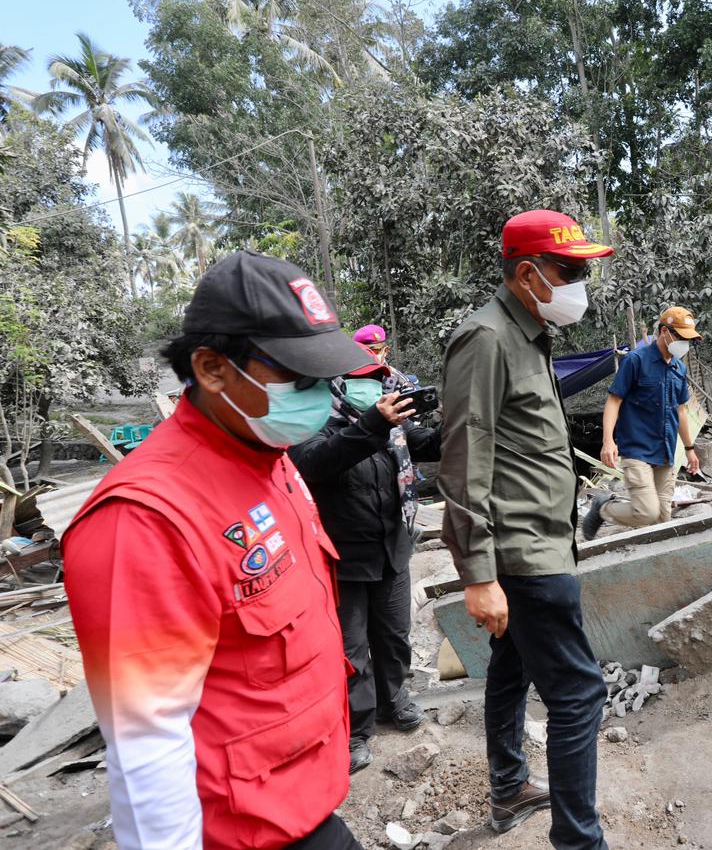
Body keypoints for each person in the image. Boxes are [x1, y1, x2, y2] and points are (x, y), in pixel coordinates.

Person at [61, 251, 374, 849]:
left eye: (324, 377)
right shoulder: (145, 520)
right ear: (211, 368)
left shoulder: (269, 459)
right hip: (239, 832)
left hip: (303, 805)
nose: (319, 396)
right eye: (297, 377)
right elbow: (147, 744)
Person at [438, 209, 612, 849]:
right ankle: (578, 841)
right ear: (529, 274)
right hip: (523, 556)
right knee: (578, 694)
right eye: (572, 271)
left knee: (510, 672)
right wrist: (478, 574)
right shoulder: (485, 340)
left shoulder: (529, 335)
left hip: (538, 544)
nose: (581, 283)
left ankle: (509, 788)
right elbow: (465, 458)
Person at [289, 354, 441, 774]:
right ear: (337, 385)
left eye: (378, 380)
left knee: (394, 635)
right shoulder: (314, 424)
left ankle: (396, 702)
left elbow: (426, 442)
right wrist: (373, 424)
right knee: (350, 651)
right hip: (342, 559)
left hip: (393, 547)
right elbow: (318, 463)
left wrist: (460, 424)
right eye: (362, 382)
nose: (373, 388)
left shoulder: (396, 426)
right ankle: (356, 729)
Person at [580, 306, 702, 540]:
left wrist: (689, 449)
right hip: (637, 449)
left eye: (689, 340)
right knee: (646, 512)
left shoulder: (679, 368)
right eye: (682, 338)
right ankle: (603, 508)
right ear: (665, 332)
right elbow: (614, 401)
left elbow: (681, 411)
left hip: (666, 452)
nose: (685, 345)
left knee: (662, 520)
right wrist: (608, 441)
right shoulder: (636, 360)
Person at [353, 323, 414, 392]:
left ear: (385, 351)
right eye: (362, 351)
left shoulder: (401, 384)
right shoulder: (347, 377)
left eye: (374, 350)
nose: (368, 355)